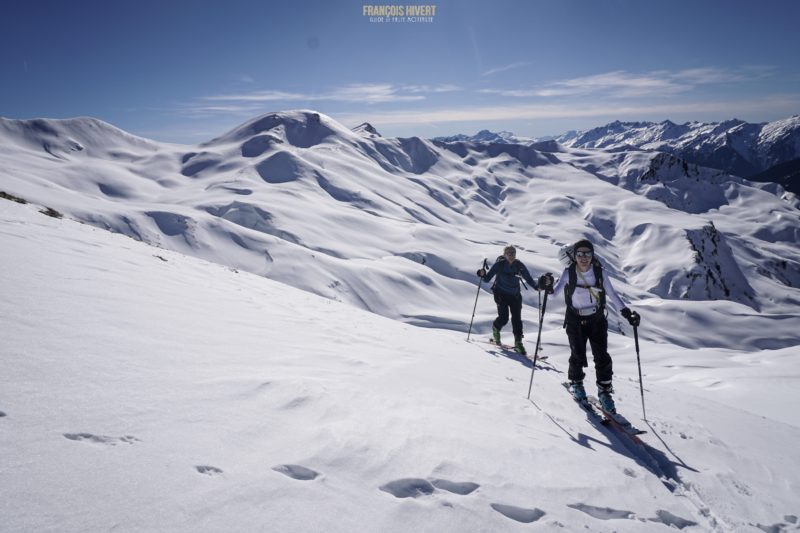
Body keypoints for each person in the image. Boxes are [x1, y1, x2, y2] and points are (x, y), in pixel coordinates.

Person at [539, 239, 640, 413]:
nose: (583, 257)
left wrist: (626, 313)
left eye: (587, 254)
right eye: (580, 254)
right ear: (575, 256)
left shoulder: (600, 272)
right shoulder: (568, 272)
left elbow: (612, 294)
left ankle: (605, 392)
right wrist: (545, 286)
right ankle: (577, 384)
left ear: (592, 255)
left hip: (597, 320)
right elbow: (554, 294)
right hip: (575, 320)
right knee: (577, 355)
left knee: (602, 356)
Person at [477, 245, 544, 355]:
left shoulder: (519, 265)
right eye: (509, 253)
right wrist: (482, 274)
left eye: (513, 252)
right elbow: (486, 279)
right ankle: (496, 329)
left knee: (517, 319)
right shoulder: (499, 265)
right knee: (504, 318)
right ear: (504, 254)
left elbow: (529, 279)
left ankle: (518, 343)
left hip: (515, 296)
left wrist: (537, 287)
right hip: (500, 294)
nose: (511, 255)